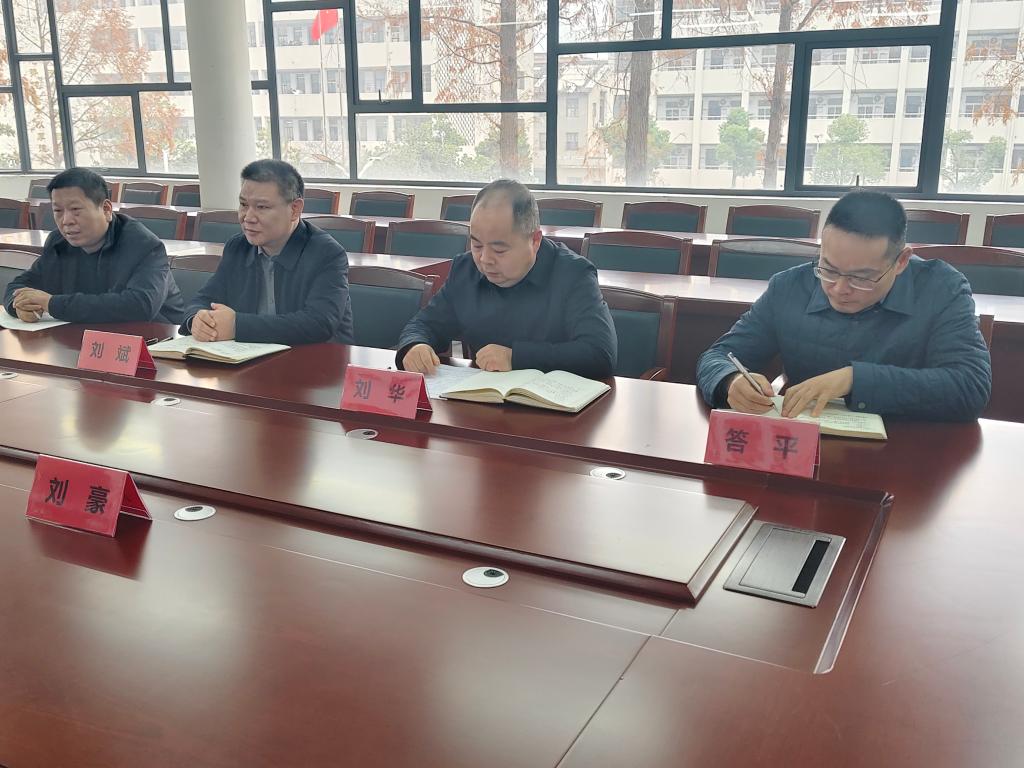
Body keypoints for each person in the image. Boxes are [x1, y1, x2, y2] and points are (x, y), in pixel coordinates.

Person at [696, 189, 991, 422]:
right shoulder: (789, 287)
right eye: (829, 269)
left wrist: (855, 379)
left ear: (901, 261)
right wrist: (730, 380)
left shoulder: (941, 289)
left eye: (861, 278)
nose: (839, 289)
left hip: (906, 454)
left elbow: (970, 386)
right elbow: (717, 357)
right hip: (804, 449)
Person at [397, 179, 616, 378]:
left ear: (535, 240)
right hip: (481, 400)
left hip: (553, 404)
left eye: (499, 250)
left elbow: (599, 354)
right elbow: (424, 324)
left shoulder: (573, 274)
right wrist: (415, 345)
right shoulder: (465, 270)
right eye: (477, 245)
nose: (485, 259)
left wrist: (515, 357)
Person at [180, 159, 353, 345]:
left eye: (261, 207)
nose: (248, 217)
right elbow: (204, 299)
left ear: (295, 209)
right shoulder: (238, 247)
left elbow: (319, 323)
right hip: (249, 357)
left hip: (313, 358)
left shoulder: (326, 253)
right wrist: (197, 320)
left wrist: (237, 326)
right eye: (243, 204)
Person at [4, 167, 183, 324]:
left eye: (76, 210)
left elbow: (140, 305)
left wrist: (52, 304)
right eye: (58, 211)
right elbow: (19, 285)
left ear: (106, 209)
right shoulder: (58, 241)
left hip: (154, 340)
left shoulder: (144, 246)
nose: (66, 221)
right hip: (82, 336)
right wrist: (19, 306)